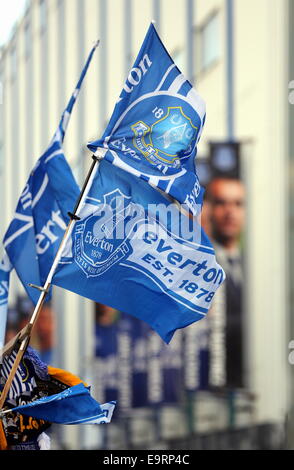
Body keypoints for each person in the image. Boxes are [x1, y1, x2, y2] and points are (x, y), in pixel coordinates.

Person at [204, 177, 246, 389]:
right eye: (221, 203)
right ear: (209, 209)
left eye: (238, 204)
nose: (230, 212)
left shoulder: (259, 269)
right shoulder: (199, 266)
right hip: (216, 388)